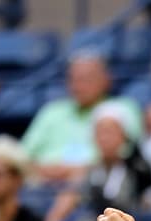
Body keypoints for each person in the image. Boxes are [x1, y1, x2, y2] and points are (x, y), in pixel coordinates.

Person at [20, 52, 142, 184]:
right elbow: (22, 155)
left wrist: (85, 170)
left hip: (101, 185)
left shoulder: (124, 108)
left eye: (86, 79)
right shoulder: (51, 111)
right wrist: (44, 170)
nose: (78, 86)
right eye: (73, 79)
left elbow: (129, 155)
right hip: (44, 183)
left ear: (106, 79)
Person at [45, 103, 151, 221]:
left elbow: (149, 207)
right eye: (101, 132)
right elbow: (58, 213)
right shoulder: (84, 172)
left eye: (111, 132)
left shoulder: (139, 170)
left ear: (124, 135)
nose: (105, 138)